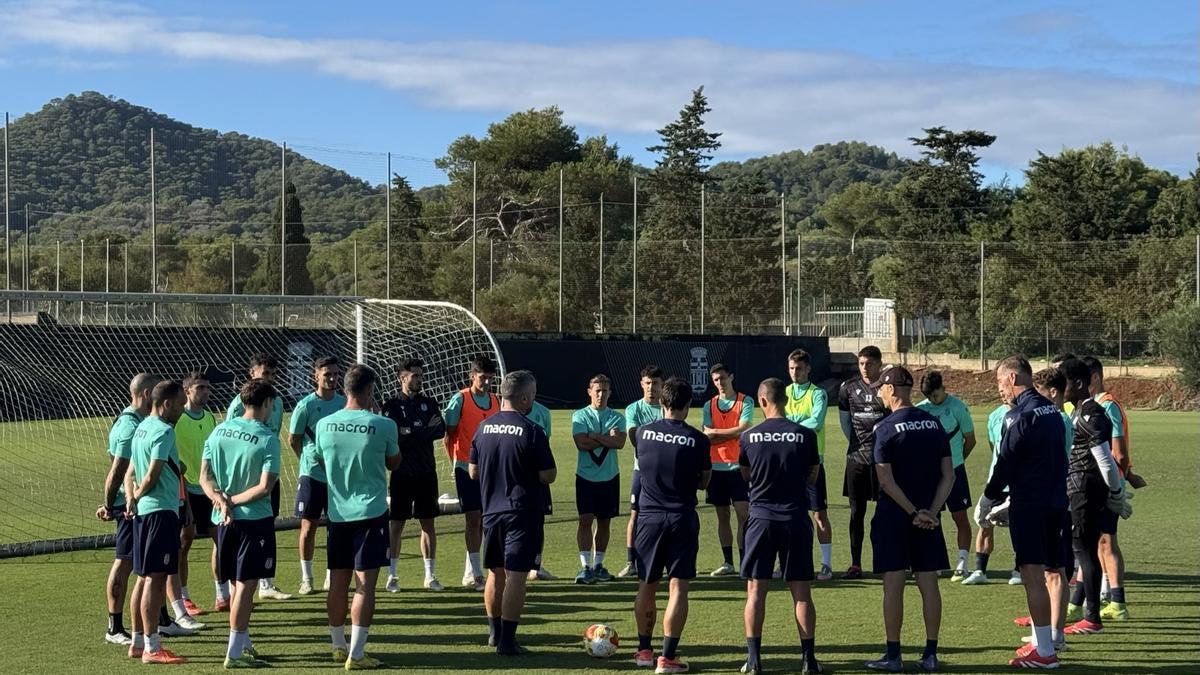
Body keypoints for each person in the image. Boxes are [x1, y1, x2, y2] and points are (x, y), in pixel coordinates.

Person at [976, 356, 1069, 669]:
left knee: (1032, 576)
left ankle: (1044, 652)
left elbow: (1005, 463)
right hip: (1057, 503)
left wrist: (989, 500)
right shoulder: (1053, 412)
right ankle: (1049, 640)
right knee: (1052, 572)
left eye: (1000, 383)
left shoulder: (1018, 415)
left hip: (1031, 506)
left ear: (1012, 378)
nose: (1000, 390)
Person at [865, 366, 953, 673]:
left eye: (880, 389)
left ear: (890, 390)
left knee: (894, 585)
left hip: (895, 517)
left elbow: (886, 481)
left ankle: (894, 655)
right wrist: (931, 511)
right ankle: (930, 654)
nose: (878, 394)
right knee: (929, 584)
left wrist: (913, 512)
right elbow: (949, 475)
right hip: (930, 518)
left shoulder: (885, 428)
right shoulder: (934, 424)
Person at [314, 364, 401, 670]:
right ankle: (358, 653)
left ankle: (338, 645)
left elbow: (319, 461)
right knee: (365, 585)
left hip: (337, 513)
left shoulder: (325, 424)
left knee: (338, 583)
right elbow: (394, 462)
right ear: (369, 390)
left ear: (344, 389)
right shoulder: (383, 424)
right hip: (371, 512)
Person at [469, 370, 557, 655]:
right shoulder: (532, 431)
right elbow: (548, 475)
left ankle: (494, 633)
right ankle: (508, 640)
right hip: (521, 510)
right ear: (523, 397)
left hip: (491, 511)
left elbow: (473, 471)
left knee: (495, 574)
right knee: (517, 576)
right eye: (531, 396)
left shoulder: (483, 428)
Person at [739, 378, 822, 675]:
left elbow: (746, 474)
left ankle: (754, 660)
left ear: (762, 401)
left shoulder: (749, 437)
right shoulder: (806, 435)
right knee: (801, 592)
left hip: (761, 519)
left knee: (756, 591)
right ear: (784, 400)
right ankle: (808, 660)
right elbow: (812, 475)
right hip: (795, 518)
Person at [631, 376, 712, 674]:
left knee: (646, 585)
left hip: (649, 518)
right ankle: (667, 657)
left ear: (662, 402)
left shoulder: (643, 433)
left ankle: (643, 651)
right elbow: (704, 480)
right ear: (688, 405)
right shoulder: (698, 440)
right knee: (678, 587)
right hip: (681, 517)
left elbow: (643, 467)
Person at [200, 379, 281, 669]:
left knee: (235, 584)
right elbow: (265, 487)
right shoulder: (267, 437)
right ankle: (233, 653)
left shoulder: (219, 429)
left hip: (222, 521)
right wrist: (232, 501)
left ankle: (244, 644)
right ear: (267, 404)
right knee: (246, 588)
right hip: (253, 521)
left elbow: (204, 478)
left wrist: (220, 501)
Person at [1010, 366, 1077, 658]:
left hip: (1049, 496)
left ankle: (1053, 635)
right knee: (1052, 569)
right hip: (1055, 495)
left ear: (1050, 391)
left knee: (1051, 570)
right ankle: (1050, 633)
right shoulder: (1056, 417)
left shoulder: (1054, 418)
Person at [1059, 358, 1126, 637]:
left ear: (1077, 383)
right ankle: (1083, 611)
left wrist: (1116, 493)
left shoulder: (1092, 414)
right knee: (1083, 550)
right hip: (1079, 487)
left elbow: (1105, 459)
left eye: (1063, 382)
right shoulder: (1077, 413)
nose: (1059, 389)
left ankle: (1092, 617)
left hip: (1086, 489)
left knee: (1085, 551)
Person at [127, 379, 190, 665]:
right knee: (155, 580)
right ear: (166, 404)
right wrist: (138, 496)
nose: (182, 409)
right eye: (179, 404)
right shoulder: (164, 431)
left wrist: (132, 498)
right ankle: (153, 647)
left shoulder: (141, 427)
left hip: (143, 513)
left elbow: (130, 473)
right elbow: (151, 475)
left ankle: (138, 642)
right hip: (160, 512)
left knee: (143, 578)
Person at [97, 373, 159, 645]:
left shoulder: (143, 421)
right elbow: (116, 471)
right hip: (128, 505)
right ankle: (114, 627)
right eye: (155, 391)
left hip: (141, 502)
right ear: (146, 394)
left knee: (147, 564)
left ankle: (160, 621)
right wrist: (111, 506)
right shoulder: (128, 426)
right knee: (125, 562)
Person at [226, 353, 288, 601]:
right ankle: (229, 588)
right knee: (233, 531)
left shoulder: (278, 402)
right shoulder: (238, 405)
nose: (269, 379)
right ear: (252, 374)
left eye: (273, 374)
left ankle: (265, 582)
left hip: (267, 475)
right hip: (243, 480)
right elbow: (230, 442)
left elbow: (272, 435)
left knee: (267, 524)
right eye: (265, 374)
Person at [381, 358, 447, 592]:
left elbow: (440, 429)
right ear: (402, 378)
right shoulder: (390, 406)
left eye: (420, 375)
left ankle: (430, 575)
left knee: (428, 523)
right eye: (414, 375)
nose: (419, 379)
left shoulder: (429, 403)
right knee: (396, 524)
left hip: (426, 472)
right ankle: (392, 575)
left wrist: (413, 433)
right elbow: (396, 436)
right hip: (401, 472)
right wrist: (422, 432)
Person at [289, 356, 346, 596]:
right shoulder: (305, 406)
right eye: (327, 375)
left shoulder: (344, 403)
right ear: (316, 376)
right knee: (308, 526)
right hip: (312, 475)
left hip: (337, 476)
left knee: (337, 527)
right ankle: (306, 577)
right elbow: (294, 438)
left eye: (335, 374)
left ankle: (330, 575)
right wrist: (308, 459)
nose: (332, 379)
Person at [444, 355, 500, 591]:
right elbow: (449, 433)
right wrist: (455, 461)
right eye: (482, 377)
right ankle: (476, 573)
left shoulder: (496, 400)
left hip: (492, 469)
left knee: (490, 520)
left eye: (489, 378)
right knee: (473, 519)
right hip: (466, 467)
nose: (486, 382)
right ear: (472, 376)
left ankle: (478, 569)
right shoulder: (460, 399)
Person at [1083, 357, 1133, 621]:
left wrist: (1121, 478)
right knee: (1099, 541)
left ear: (1094, 378)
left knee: (1107, 541)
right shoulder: (1099, 405)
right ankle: (1106, 595)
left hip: (1107, 484)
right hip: (1103, 482)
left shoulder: (1107, 406)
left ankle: (1118, 601)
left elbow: (1118, 452)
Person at [916, 371, 977, 581]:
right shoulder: (920, 410)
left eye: (936, 395)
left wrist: (958, 460)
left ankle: (962, 563)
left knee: (959, 516)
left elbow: (970, 439)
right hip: (930, 473)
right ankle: (936, 562)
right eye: (929, 396)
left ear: (943, 388)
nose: (933, 400)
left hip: (955, 471)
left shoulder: (958, 408)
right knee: (932, 516)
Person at [571, 374, 627, 583]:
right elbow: (581, 444)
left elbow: (619, 443)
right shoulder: (580, 416)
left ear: (610, 392)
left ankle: (598, 565)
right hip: (585, 476)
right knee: (585, 520)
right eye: (598, 391)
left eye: (605, 390)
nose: (601, 395)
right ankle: (585, 567)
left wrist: (594, 435)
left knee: (605, 522)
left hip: (609, 476)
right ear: (589, 392)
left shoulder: (617, 417)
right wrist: (606, 439)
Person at [960, 401, 1023, 587]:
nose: (1003, 393)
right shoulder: (995, 415)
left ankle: (1018, 570)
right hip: (996, 481)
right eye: (1000, 388)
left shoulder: (1025, 414)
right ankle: (980, 570)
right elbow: (993, 447)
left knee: (1019, 528)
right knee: (984, 523)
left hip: (1017, 483)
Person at [838, 345, 888, 579]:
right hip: (856, 460)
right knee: (856, 513)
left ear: (879, 364)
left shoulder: (887, 388)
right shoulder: (847, 388)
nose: (865, 368)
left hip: (883, 462)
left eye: (869, 364)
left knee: (885, 514)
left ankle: (885, 560)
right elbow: (846, 424)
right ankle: (855, 563)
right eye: (861, 364)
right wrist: (859, 447)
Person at [784, 349, 833, 581]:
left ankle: (826, 564)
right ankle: (789, 562)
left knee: (819, 514)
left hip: (813, 463)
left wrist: (791, 422)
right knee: (789, 514)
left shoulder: (818, 394)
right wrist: (799, 423)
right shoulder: (783, 392)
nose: (795, 372)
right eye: (792, 368)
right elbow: (776, 420)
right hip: (788, 464)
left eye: (799, 368)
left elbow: (816, 421)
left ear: (808, 369)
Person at [701, 363, 754, 577]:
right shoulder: (709, 405)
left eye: (723, 378)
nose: (720, 383)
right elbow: (706, 435)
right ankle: (728, 562)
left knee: (743, 514)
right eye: (715, 380)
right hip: (716, 468)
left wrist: (716, 434)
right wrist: (723, 435)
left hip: (738, 466)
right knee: (722, 516)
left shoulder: (745, 401)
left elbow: (744, 429)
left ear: (731, 377)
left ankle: (745, 561)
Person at [175, 372, 218, 617]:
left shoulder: (210, 417)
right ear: (187, 390)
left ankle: (222, 594)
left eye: (207, 388)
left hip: (207, 487)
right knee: (185, 540)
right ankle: (184, 597)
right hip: (185, 486)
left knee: (220, 538)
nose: (205, 392)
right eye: (200, 387)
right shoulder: (178, 418)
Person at [619, 365, 664, 579]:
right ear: (641, 384)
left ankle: (662, 561)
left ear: (662, 385)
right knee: (635, 514)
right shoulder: (633, 409)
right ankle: (631, 562)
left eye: (655, 383)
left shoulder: (667, 407)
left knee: (664, 515)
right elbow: (635, 440)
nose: (651, 388)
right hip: (641, 470)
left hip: (664, 472)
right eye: (647, 383)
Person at [525, 397, 557, 581]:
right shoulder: (508, 410)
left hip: (539, 476)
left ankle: (535, 566)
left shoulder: (543, 412)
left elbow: (546, 442)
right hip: (517, 477)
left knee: (538, 522)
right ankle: (511, 565)